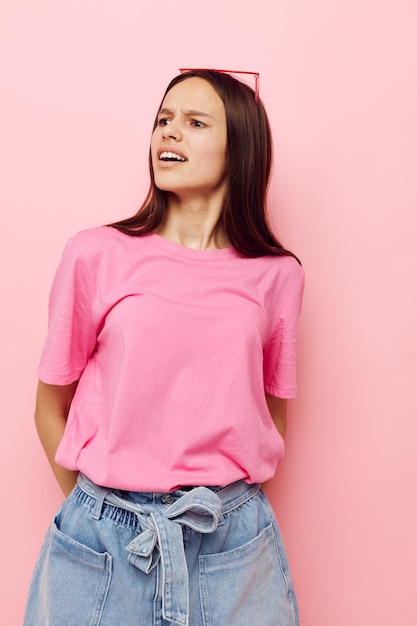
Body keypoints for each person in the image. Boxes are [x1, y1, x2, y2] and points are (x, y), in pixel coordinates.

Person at [24, 69, 304, 626]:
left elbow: (270, 415)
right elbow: (48, 407)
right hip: (104, 539)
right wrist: (102, 510)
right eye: (163, 120)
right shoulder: (95, 254)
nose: (169, 133)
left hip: (232, 542)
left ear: (241, 148)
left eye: (195, 122)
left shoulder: (278, 277)